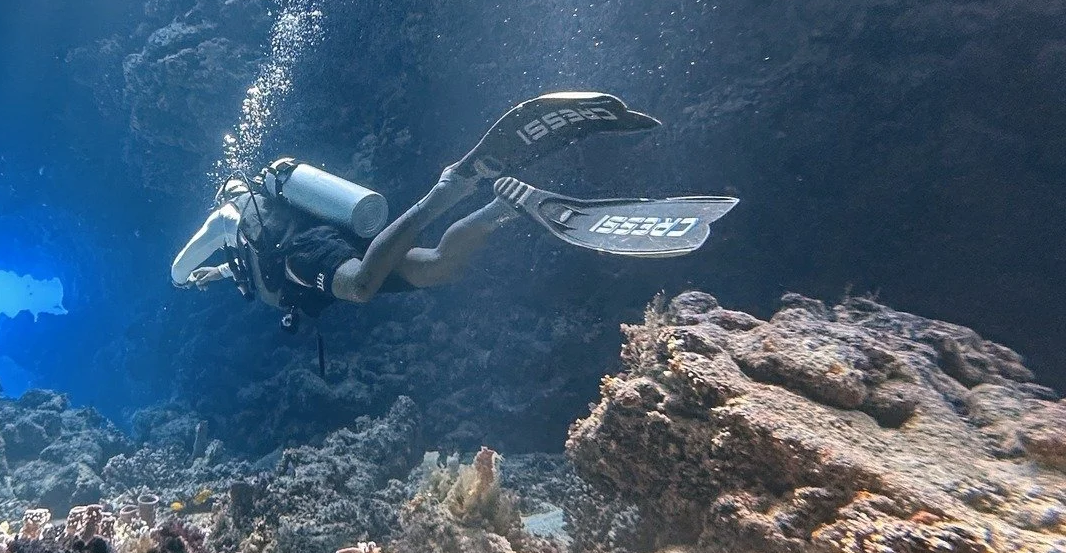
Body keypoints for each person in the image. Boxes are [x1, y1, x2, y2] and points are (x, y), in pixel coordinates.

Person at [171, 92, 737, 327]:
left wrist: (186, 275)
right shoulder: (250, 236)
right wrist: (214, 275)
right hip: (325, 248)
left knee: (364, 285)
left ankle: (451, 188)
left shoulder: (227, 219)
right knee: (441, 266)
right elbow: (236, 269)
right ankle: (501, 207)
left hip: (310, 258)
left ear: (228, 195)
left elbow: (176, 270)